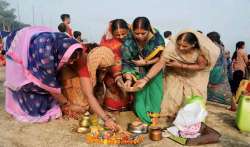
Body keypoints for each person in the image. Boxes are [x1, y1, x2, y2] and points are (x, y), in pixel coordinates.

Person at [4, 26, 118, 130]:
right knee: (33, 107)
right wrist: (67, 105)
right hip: (27, 47)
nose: (72, 62)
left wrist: (105, 118)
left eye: (75, 60)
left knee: (47, 98)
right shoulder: (45, 53)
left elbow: (89, 93)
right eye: (70, 59)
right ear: (61, 55)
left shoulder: (80, 57)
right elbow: (49, 84)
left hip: (49, 62)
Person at [133, 29, 220, 120]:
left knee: (192, 98)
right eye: (179, 44)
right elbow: (160, 63)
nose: (181, 48)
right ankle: (174, 117)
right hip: (175, 73)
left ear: (193, 44)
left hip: (195, 75)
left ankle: (189, 120)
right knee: (172, 96)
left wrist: (180, 65)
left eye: (185, 46)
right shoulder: (172, 48)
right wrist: (146, 79)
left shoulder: (201, 51)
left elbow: (201, 66)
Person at [121, 17, 165, 131]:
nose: (140, 36)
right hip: (137, 67)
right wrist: (129, 78)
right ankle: (143, 117)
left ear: (149, 29)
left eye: (143, 33)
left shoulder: (157, 40)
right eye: (137, 33)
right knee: (140, 92)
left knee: (155, 91)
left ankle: (154, 116)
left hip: (155, 67)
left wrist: (146, 62)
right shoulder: (129, 40)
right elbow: (126, 60)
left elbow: (161, 59)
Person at [100, 19, 132, 111]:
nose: (121, 36)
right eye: (117, 35)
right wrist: (117, 76)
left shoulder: (133, 38)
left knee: (128, 91)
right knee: (115, 91)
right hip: (111, 73)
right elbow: (106, 59)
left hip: (129, 70)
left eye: (123, 33)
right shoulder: (107, 42)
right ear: (112, 33)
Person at [206, 32, 233, 107]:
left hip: (216, 70)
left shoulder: (214, 46)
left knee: (214, 87)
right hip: (222, 70)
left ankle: (216, 101)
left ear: (211, 38)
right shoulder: (221, 46)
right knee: (223, 87)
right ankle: (226, 101)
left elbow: (212, 60)